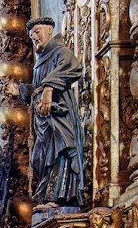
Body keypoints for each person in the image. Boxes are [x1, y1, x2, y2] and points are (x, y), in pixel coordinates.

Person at [13, 17, 85, 212]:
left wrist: (49, 88)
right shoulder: (40, 60)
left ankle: (59, 196)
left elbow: (73, 67)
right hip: (42, 119)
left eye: (37, 32)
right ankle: (47, 195)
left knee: (59, 152)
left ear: (49, 30)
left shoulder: (60, 51)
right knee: (40, 157)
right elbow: (37, 89)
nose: (35, 37)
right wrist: (24, 91)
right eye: (32, 35)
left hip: (58, 114)